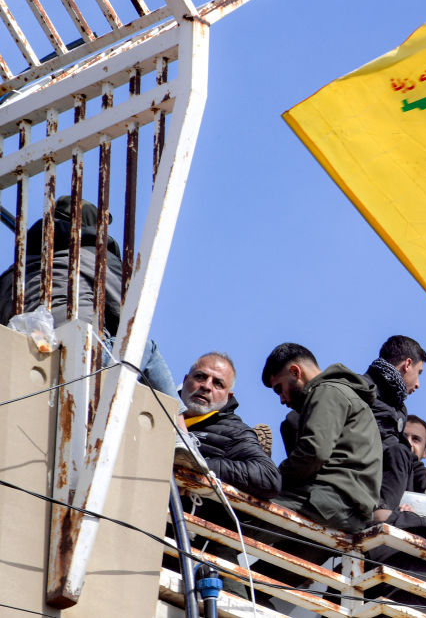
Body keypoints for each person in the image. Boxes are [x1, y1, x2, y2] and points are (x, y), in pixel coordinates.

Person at [0, 196, 181, 423]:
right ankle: (180, 431)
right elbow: (127, 315)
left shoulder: (13, 273)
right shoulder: (95, 257)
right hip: (84, 355)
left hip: (31, 361)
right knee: (145, 347)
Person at [256, 342, 381, 589]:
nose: (282, 399)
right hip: (344, 515)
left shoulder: (326, 391)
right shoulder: (344, 394)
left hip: (326, 501)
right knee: (266, 582)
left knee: (230, 519)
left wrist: (269, 479)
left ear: (295, 371)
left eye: (279, 389)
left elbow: (313, 452)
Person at [174, 351, 280, 597]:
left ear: (228, 396)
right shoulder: (157, 407)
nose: (206, 386)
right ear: (186, 379)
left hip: (205, 541)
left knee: (233, 602)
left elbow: (268, 477)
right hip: (151, 527)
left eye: (218, 383)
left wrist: (199, 466)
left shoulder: (234, 431)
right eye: (201, 377)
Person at [364, 335, 426, 522]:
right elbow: (391, 449)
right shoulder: (365, 391)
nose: (418, 384)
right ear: (407, 365)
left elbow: (412, 462)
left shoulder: (396, 406)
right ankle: (383, 516)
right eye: (419, 372)